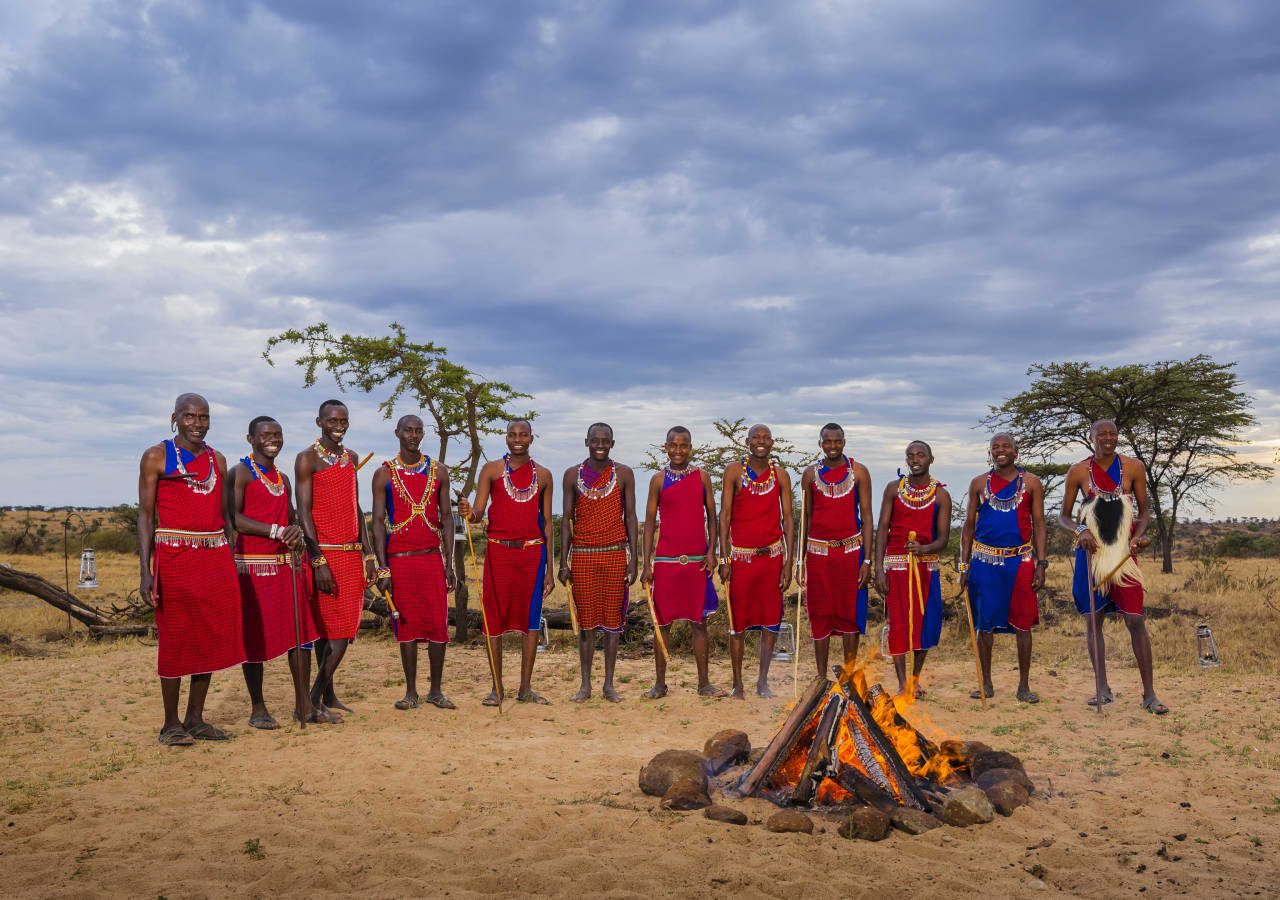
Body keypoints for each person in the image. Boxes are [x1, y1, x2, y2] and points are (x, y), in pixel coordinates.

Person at [137, 393, 245, 746]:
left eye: (203, 417)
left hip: (214, 557)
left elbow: (227, 517)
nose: (197, 424)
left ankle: (195, 718)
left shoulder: (218, 459)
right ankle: (170, 724)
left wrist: (231, 556)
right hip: (174, 556)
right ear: (175, 418)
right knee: (176, 638)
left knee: (209, 636)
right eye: (190, 417)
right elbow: (146, 516)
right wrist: (146, 570)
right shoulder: (157, 456)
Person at [1058, 419, 1167, 714]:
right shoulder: (1078, 471)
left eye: (1113, 434)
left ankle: (1149, 694)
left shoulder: (1134, 468)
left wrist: (1140, 535)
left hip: (1123, 555)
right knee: (1094, 620)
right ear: (1091, 437)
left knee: (1135, 620)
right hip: (1092, 555)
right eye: (1101, 434)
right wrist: (1079, 531)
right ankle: (1102, 688)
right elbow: (1064, 516)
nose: (1108, 438)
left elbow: (1145, 513)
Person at [457, 419, 555, 705]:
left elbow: (548, 524)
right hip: (499, 553)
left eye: (523, 434)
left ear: (531, 438)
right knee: (494, 619)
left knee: (531, 620)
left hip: (532, 554)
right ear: (506, 438)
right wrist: (467, 511)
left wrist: (549, 568)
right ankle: (496, 688)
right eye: (512, 434)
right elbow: (477, 513)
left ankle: (525, 688)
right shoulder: (491, 471)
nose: (518, 439)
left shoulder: (545, 476)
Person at [232, 416, 321, 728]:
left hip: (285, 566)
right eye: (266, 435)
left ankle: (304, 705)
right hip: (252, 568)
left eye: (278, 434)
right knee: (255, 638)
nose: (273, 439)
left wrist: (295, 530)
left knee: (301, 636)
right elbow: (234, 519)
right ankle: (258, 708)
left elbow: (291, 517)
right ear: (250, 438)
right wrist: (276, 531)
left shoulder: (282, 478)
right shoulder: (240, 472)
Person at [295, 399, 376, 723]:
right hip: (324, 555)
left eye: (343, 420)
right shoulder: (307, 459)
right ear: (319, 422)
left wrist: (368, 553)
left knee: (337, 632)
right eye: (332, 420)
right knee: (333, 633)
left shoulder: (351, 458)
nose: (338, 425)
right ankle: (310, 703)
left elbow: (355, 508)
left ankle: (325, 696)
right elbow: (303, 512)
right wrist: (318, 561)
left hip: (350, 555)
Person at [371, 414, 457, 711]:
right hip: (399, 560)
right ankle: (410, 692)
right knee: (405, 626)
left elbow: (447, 518)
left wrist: (450, 566)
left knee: (437, 626)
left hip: (431, 558)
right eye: (407, 430)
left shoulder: (439, 471)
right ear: (397, 433)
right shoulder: (384, 473)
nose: (413, 435)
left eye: (418, 430)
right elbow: (378, 523)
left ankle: (435, 690)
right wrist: (382, 567)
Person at [958, 433, 1046, 703]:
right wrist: (964, 565)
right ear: (990, 453)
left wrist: (1041, 564)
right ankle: (986, 682)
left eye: (1006, 446)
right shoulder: (978, 483)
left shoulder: (1031, 483)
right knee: (983, 626)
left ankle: (1024, 686)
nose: (1000, 451)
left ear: (1016, 451)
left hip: (1020, 561)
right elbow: (968, 526)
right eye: (995, 447)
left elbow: (1040, 524)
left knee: (1023, 625)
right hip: (984, 563)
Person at [640, 426, 725, 698]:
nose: (678, 450)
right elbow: (650, 523)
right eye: (673, 445)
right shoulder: (658, 480)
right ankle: (660, 684)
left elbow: (712, 517)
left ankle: (704, 683)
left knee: (699, 623)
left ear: (691, 447)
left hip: (697, 561)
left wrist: (712, 552)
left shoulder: (702, 477)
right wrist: (646, 563)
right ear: (665, 447)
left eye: (683, 445)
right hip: (665, 561)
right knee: (662, 623)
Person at [559, 423, 638, 703]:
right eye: (595, 440)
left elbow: (630, 516)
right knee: (587, 624)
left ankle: (609, 685)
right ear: (586, 442)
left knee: (613, 624)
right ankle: (585, 685)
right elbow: (566, 520)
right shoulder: (571, 475)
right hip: (583, 556)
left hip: (615, 553)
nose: (600, 445)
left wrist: (634, 559)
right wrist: (563, 562)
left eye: (605, 440)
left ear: (613, 443)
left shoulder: (624, 474)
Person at [718, 424, 795, 699]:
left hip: (772, 557)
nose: (761, 442)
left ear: (772, 442)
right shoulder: (733, 471)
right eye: (756, 438)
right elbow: (724, 516)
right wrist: (723, 557)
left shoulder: (782, 476)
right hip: (740, 558)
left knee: (770, 622)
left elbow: (788, 519)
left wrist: (789, 563)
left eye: (766, 438)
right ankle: (737, 684)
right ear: (747, 442)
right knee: (737, 623)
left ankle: (762, 681)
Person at [875, 441, 951, 698]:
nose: (915, 459)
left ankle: (915, 680)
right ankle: (901, 682)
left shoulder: (941, 495)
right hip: (895, 568)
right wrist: (878, 568)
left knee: (924, 625)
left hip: (926, 569)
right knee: (898, 625)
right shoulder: (893, 489)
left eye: (920, 455)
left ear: (931, 458)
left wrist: (924, 548)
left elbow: (943, 539)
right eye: (910, 456)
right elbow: (882, 531)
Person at [797, 423, 874, 676]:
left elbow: (868, 516)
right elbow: (805, 519)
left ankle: (849, 675)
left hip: (851, 553)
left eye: (837, 441)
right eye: (827, 441)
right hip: (818, 554)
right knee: (820, 612)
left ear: (844, 441)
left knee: (849, 613)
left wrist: (868, 561)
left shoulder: (859, 472)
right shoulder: (810, 474)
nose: (832, 446)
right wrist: (800, 562)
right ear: (820, 444)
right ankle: (821, 677)